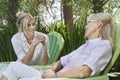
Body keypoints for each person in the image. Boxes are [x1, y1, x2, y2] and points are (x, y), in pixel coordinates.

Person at [0, 12, 115, 80]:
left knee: (16, 74)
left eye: (89, 22)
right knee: (13, 67)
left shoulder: (103, 46)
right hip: (52, 76)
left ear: (98, 25)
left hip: (61, 78)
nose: (85, 26)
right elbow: (61, 61)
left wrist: (55, 74)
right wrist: (51, 70)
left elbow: (84, 71)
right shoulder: (87, 45)